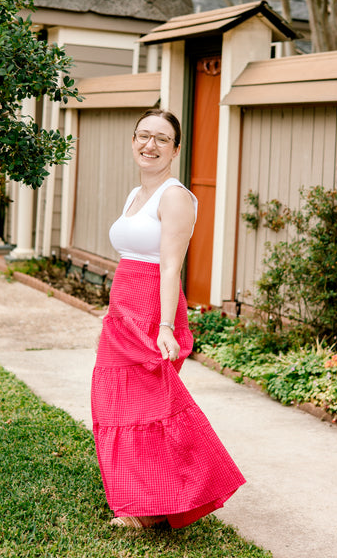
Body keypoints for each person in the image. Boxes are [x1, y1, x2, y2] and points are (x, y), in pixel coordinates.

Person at [91, 108, 245, 529]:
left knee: (150, 404)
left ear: (175, 149)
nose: (150, 145)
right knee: (115, 402)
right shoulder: (135, 194)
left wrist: (163, 326)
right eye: (143, 135)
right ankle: (143, 497)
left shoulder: (175, 196)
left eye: (161, 139)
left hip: (152, 308)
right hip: (122, 307)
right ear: (133, 140)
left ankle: (156, 504)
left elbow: (171, 266)